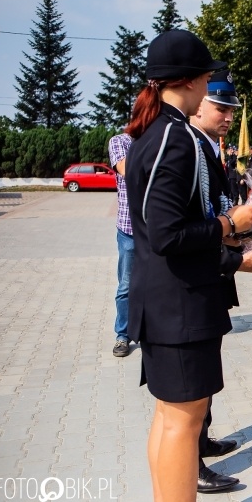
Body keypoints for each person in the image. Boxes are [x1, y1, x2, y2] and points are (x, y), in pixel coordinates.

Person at [124, 29, 252, 501]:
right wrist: (230, 223)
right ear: (189, 80)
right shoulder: (175, 138)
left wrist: (230, 252)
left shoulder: (158, 132)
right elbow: (168, 235)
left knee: (172, 418)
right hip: (179, 305)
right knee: (183, 423)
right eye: (208, 78)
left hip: (170, 301)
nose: (210, 86)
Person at [188, 69, 249, 493]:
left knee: (208, 369)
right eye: (220, 108)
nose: (228, 117)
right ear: (199, 104)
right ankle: (190, 462)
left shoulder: (210, 147)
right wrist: (235, 254)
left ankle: (202, 438)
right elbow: (197, 225)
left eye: (231, 110)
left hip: (213, 271)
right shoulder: (191, 148)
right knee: (194, 379)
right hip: (198, 276)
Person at [108, 133, 134, 358]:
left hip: (157, 230)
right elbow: (126, 169)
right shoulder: (120, 141)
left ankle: (153, 331)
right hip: (129, 230)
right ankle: (123, 335)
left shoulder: (159, 139)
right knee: (126, 285)